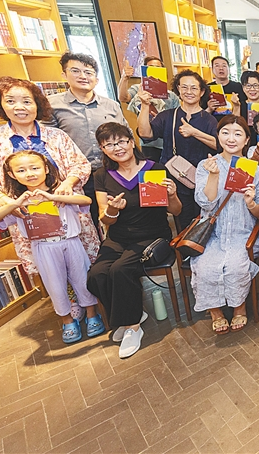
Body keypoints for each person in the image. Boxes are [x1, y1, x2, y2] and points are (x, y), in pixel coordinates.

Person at [0, 76, 100, 277]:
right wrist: (4, 200)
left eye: (26, 101)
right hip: (26, 215)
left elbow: (81, 164)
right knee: (50, 272)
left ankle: (90, 297)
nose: (19, 107)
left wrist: (68, 183)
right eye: (10, 101)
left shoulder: (56, 136)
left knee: (85, 267)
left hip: (67, 210)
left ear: (37, 104)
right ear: (0, 105)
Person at [88, 122, 181, 359]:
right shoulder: (102, 176)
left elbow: (176, 211)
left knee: (120, 269)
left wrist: (171, 195)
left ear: (131, 142)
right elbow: (105, 218)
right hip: (118, 238)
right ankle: (132, 314)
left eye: (121, 141)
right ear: (103, 149)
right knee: (96, 274)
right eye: (109, 144)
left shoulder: (154, 169)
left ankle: (132, 327)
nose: (117, 148)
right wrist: (113, 209)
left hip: (153, 236)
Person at [0, 151, 104, 344]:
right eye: (21, 170)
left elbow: (86, 201)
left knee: (82, 279)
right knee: (55, 286)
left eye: (34, 168)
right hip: (43, 248)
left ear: (45, 169)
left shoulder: (61, 191)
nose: (29, 173)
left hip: (71, 242)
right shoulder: (17, 202)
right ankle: (67, 321)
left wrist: (52, 197)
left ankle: (92, 314)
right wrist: (14, 204)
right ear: (12, 175)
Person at [192, 115, 259, 334]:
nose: (231, 139)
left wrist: (251, 202)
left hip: (242, 231)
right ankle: (215, 311)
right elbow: (206, 203)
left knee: (236, 265)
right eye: (225, 133)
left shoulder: (256, 170)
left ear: (247, 140)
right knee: (205, 267)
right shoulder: (206, 165)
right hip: (213, 232)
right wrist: (213, 175)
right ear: (218, 136)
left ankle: (239, 306)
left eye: (238, 134)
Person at [45, 51, 126, 231]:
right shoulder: (51, 105)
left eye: (88, 72)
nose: (83, 76)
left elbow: (125, 137)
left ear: (96, 79)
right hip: (75, 178)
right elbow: (48, 144)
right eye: (75, 71)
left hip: (111, 172)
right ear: (64, 75)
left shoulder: (111, 105)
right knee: (84, 224)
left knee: (115, 217)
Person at [137, 69, 221, 231]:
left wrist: (194, 132)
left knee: (204, 220)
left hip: (201, 178)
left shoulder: (209, 120)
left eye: (194, 88)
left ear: (202, 92)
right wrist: (145, 106)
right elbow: (146, 134)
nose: (189, 92)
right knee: (181, 221)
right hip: (174, 178)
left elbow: (219, 145)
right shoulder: (167, 116)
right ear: (178, 89)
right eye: (184, 87)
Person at [117, 56, 181, 162]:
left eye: (158, 68)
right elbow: (123, 98)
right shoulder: (139, 90)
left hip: (168, 142)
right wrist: (124, 78)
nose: (154, 70)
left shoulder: (171, 96)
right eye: (150, 67)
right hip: (149, 143)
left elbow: (177, 119)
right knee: (152, 169)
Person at [202, 56, 245, 122]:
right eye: (217, 66)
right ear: (212, 69)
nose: (221, 68)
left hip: (233, 124)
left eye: (224, 66)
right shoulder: (207, 88)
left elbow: (244, 109)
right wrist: (209, 109)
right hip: (213, 124)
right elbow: (201, 116)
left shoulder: (238, 86)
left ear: (229, 69)